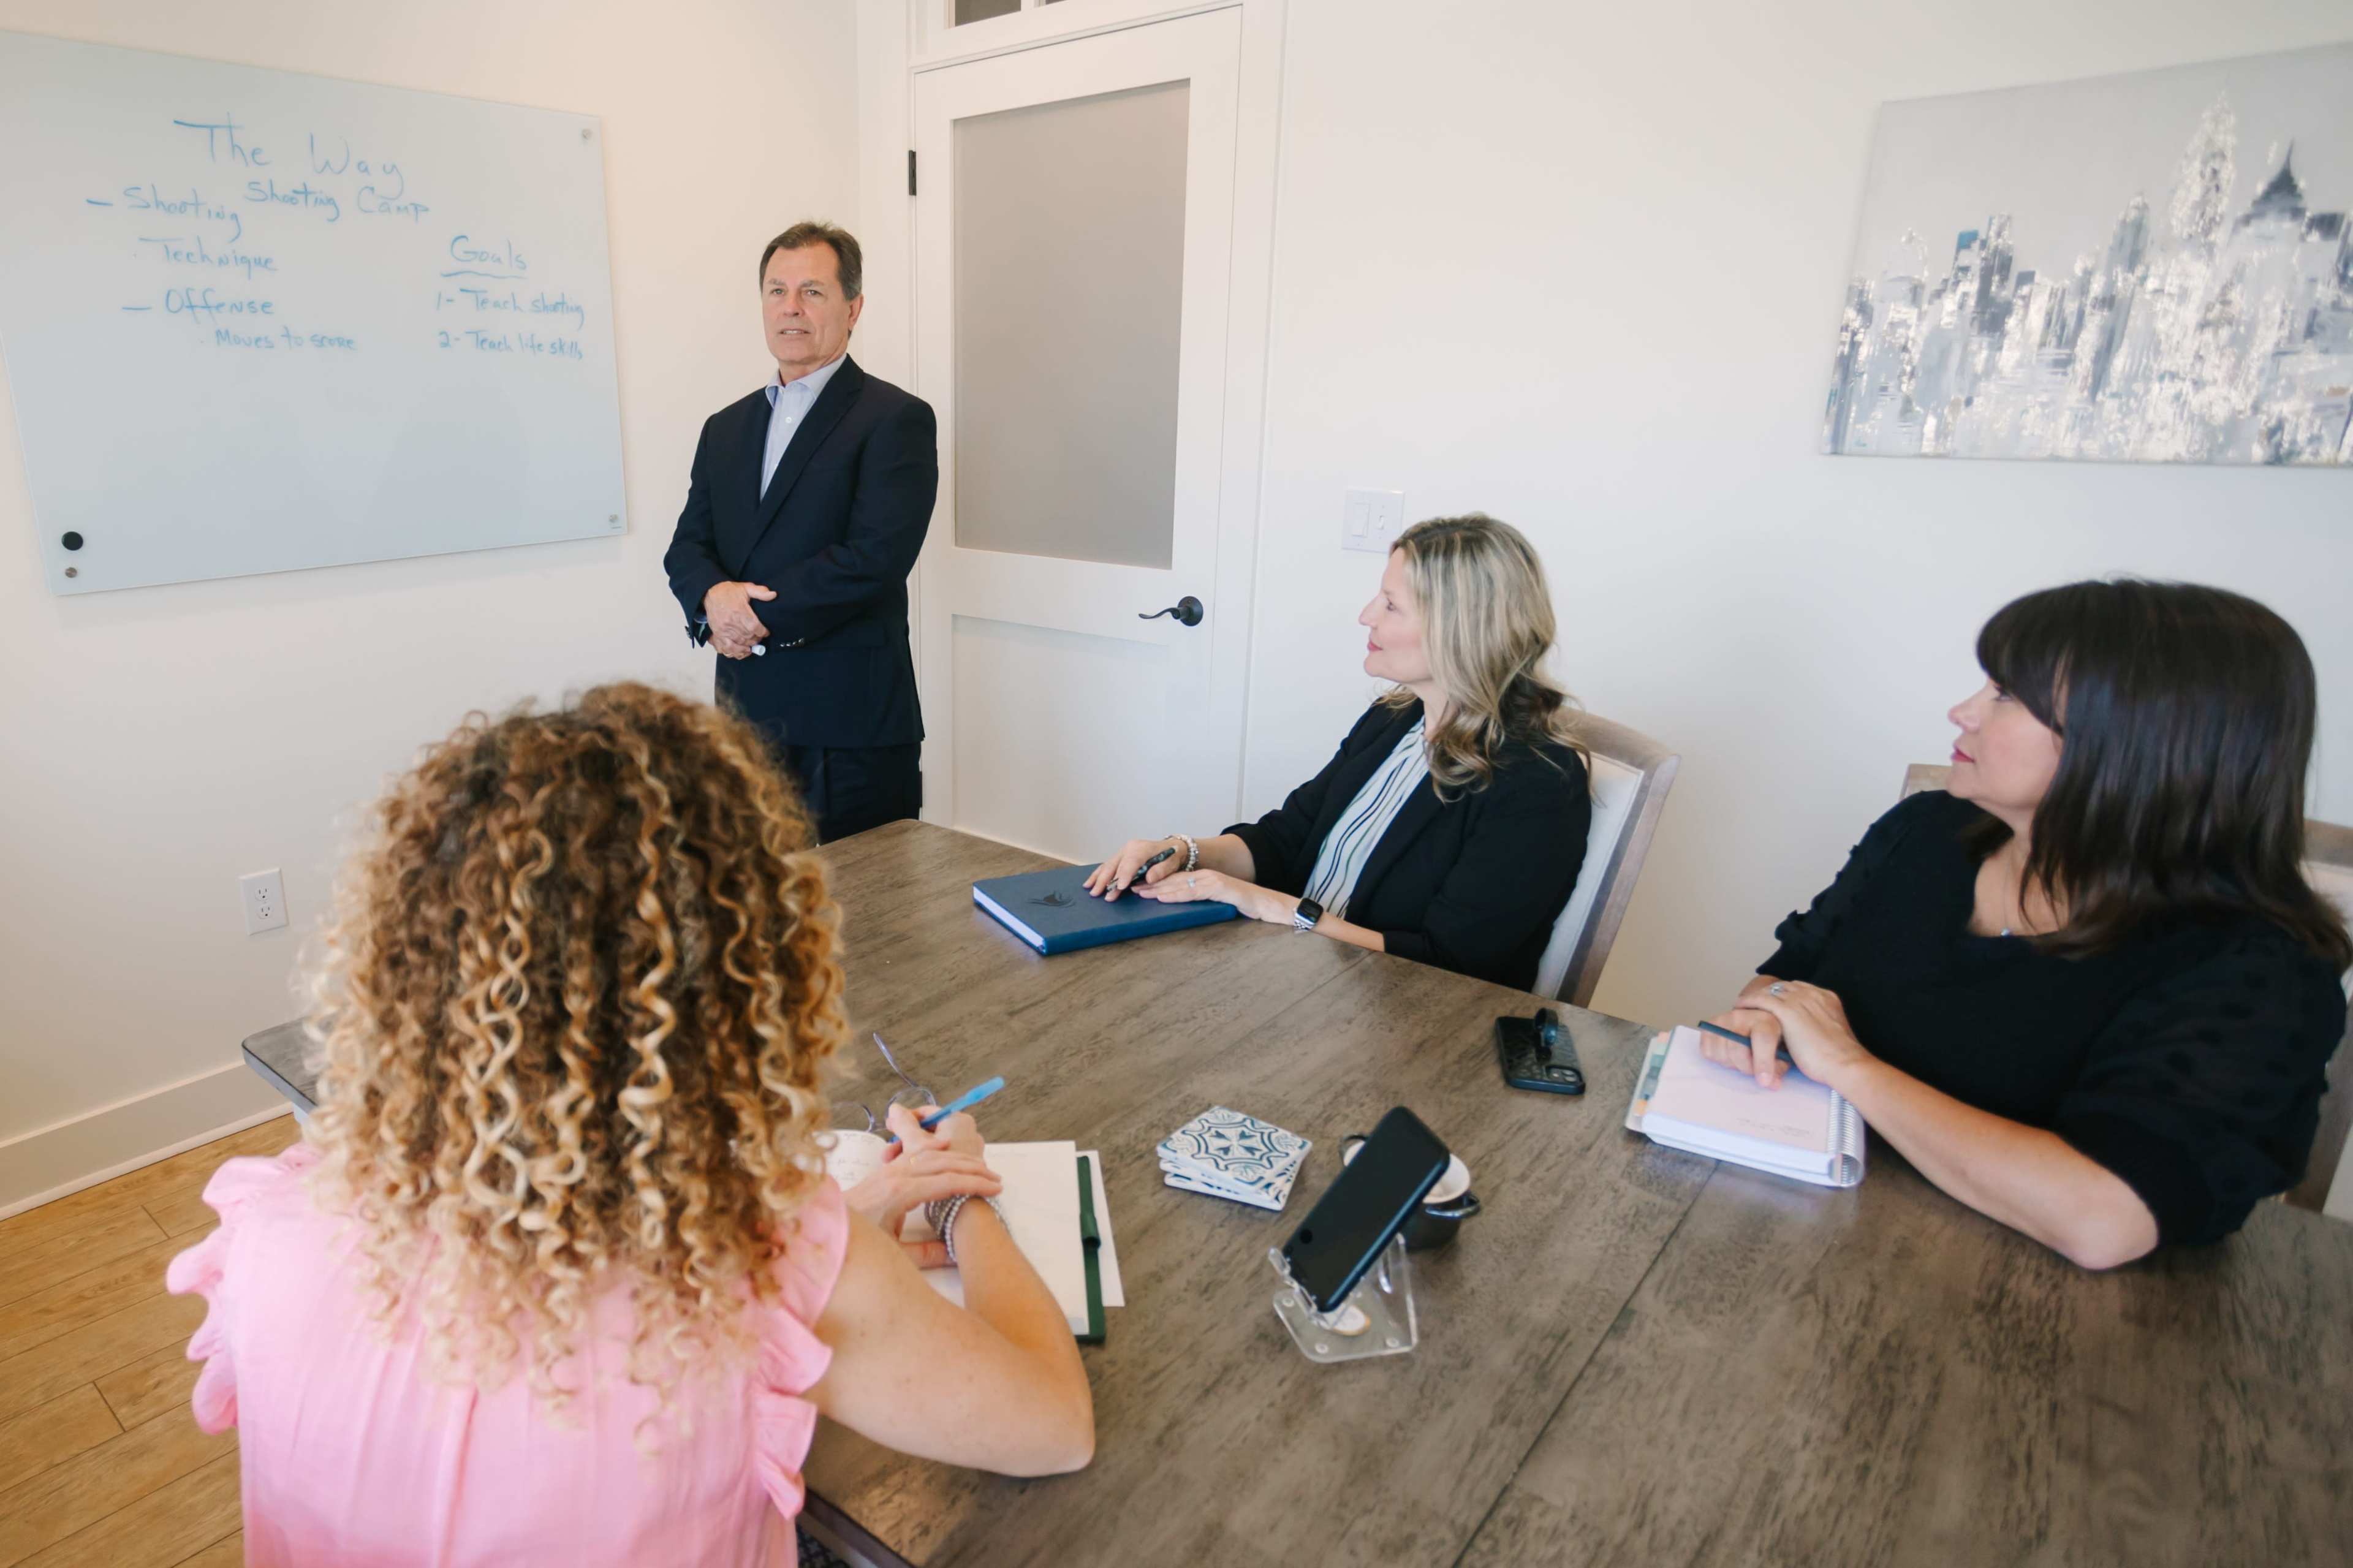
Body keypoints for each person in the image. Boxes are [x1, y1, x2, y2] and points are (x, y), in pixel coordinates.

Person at [167, 684, 1090, 1566]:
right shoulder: (764, 1266)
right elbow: (1056, 1427)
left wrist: (849, 1221)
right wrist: (961, 1201)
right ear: (745, 983)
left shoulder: (272, 1225)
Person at [1698, 580, 2350, 1269]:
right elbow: (1786, 977)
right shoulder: (1924, 832)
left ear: (2135, 741)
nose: (1962, 711)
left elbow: (2104, 1219)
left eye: (2006, 695)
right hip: (1811, 1239)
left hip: (2044, 1310)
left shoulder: (2257, 969)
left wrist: (1848, 1066)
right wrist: (1768, 1017)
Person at [1085, 513, 1591, 991]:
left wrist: (1271, 906)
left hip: (1403, 1013)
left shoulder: (1537, 784)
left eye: (1391, 605)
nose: (1366, 616)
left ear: (1461, 630)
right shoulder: (1393, 720)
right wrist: (1182, 851)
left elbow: (1451, 964)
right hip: (1303, 974)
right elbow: (1287, 839)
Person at [662, 220, 936, 843]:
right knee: (754, 890)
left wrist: (748, 617)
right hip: (744, 720)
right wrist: (711, 600)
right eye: (776, 291)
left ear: (853, 308)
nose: (791, 307)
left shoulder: (896, 419)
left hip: (851, 726)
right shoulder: (725, 427)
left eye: (812, 291)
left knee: (867, 900)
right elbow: (688, 546)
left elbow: (874, 558)